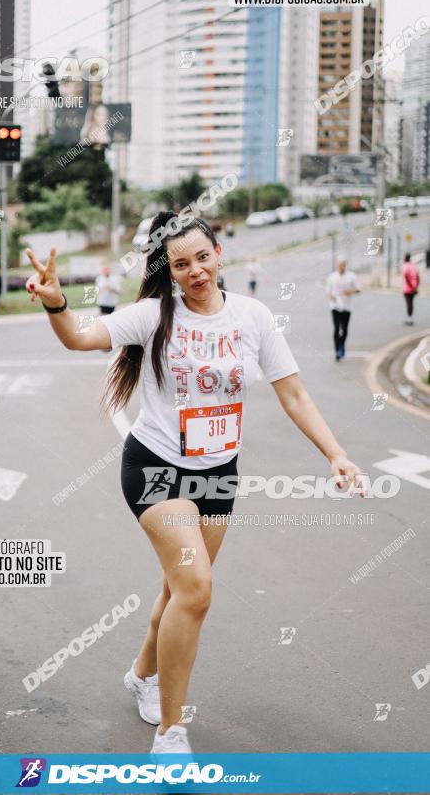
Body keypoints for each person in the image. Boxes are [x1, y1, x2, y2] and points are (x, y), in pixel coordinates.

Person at [24, 211, 364, 754]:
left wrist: (337, 454)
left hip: (218, 473)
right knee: (197, 590)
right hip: (157, 468)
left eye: (202, 257)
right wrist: (56, 302)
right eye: (181, 264)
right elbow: (81, 338)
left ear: (219, 253)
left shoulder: (253, 317)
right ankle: (171, 732)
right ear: (171, 271)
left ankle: (142, 675)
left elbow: (295, 395)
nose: (195, 271)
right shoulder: (153, 317)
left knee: (176, 589)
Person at [325, 258, 361, 361]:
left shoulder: (351, 276)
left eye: (343, 265)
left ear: (345, 265)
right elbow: (328, 292)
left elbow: (358, 289)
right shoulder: (332, 277)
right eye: (339, 265)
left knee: (344, 329)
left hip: (346, 307)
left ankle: (342, 345)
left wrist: (350, 291)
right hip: (335, 306)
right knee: (336, 328)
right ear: (337, 265)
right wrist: (331, 296)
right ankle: (337, 350)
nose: (341, 267)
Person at [401, 253, 420, 326]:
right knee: (411, 303)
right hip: (414, 287)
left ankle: (409, 319)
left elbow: (406, 277)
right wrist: (416, 287)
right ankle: (410, 318)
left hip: (408, 288)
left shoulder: (405, 266)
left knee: (409, 304)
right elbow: (418, 277)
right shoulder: (414, 266)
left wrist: (412, 287)